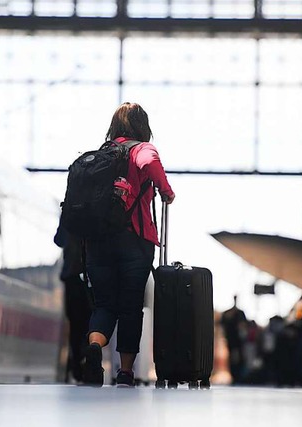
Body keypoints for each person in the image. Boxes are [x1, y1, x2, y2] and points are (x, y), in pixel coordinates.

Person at [82, 102, 175, 387]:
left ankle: (95, 346)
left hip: (98, 241)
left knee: (104, 304)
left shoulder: (100, 154)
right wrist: (167, 192)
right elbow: (149, 164)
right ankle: (124, 371)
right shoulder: (141, 149)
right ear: (142, 126)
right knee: (130, 306)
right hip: (134, 240)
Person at [53, 225, 92, 383]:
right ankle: (87, 362)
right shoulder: (97, 204)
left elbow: (59, 240)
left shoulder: (69, 207)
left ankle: (77, 364)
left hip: (71, 274)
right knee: (92, 321)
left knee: (75, 323)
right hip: (91, 275)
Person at [220, 295, 248, 384]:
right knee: (234, 358)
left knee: (238, 358)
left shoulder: (238, 313)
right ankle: (235, 376)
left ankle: (238, 376)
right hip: (232, 340)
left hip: (238, 340)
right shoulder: (229, 313)